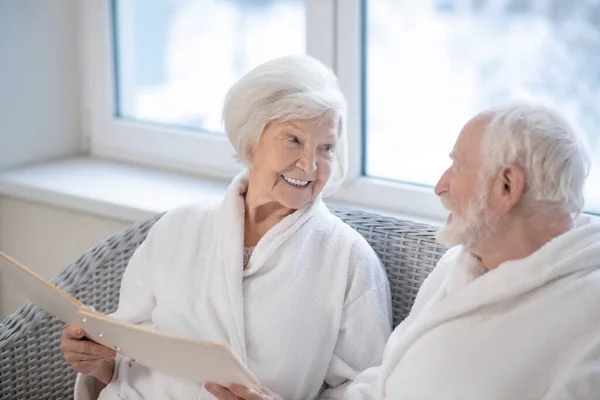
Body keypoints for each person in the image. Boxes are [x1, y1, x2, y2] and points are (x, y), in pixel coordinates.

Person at [212, 103, 600, 400]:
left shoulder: (586, 322)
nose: (440, 187)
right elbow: (384, 382)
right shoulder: (460, 264)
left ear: (506, 187)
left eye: (458, 167)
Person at [60, 55, 392, 400]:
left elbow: (371, 387)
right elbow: (124, 357)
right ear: (250, 140)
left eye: (325, 148)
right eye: (292, 140)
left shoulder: (347, 259)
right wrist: (94, 360)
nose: (309, 165)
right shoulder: (177, 227)